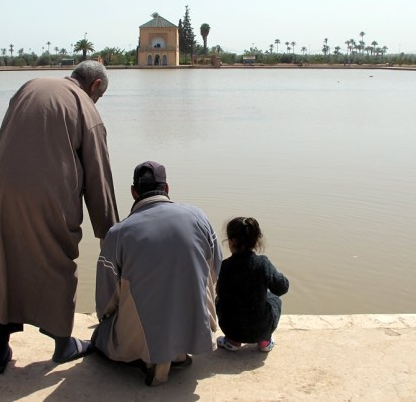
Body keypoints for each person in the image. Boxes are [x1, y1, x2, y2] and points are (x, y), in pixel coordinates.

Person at [0, 61, 120, 375]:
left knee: (6, 261)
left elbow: (0, 143)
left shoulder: (30, 86)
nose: (96, 102)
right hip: (47, 192)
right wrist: (109, 230)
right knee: (58, 261)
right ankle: (63, 344)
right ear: (94, 86)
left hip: (3, 187)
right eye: (99, 96)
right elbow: (98, 175)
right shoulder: (85, 107)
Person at [92, 161, 222, 386]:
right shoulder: (199, 217)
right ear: (167, 188)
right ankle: (178, 352)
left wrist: (106, 321)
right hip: (198, 329)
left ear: (133, 192)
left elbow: (106, 302)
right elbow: (216, 270)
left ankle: (152, 359)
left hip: (143, 339)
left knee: (100, 336)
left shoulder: (119, 233)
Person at [215, 217, 289, 353]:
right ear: (256, 241)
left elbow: (221, 293)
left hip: (231, 329)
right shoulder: (263, 264)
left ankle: (232, 341)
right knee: (274, 298)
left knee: (219, 299)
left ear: (231, 241)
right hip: (261, 329)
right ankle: (265, 341)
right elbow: (282, 288)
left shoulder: (225, 266)